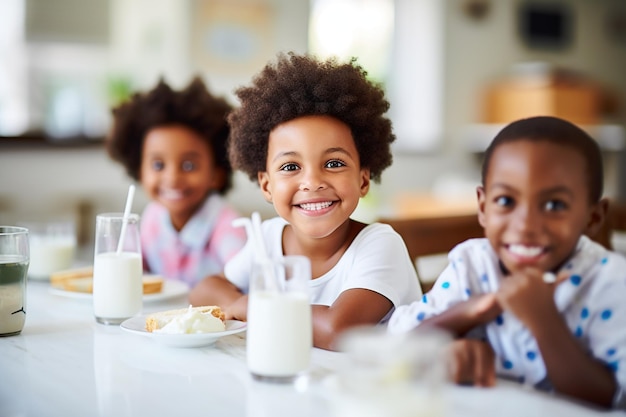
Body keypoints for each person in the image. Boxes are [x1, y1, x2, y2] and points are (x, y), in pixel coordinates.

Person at [388, 116, 626, 409]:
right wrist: (467, 313)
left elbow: (610, 398)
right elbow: (398, 346)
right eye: (505, 201)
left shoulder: (611, 282)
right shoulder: (472, 265)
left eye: (554, 205)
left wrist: (542, 318)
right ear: (483, 207)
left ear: (594, 217)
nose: (526, 225)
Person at [189, 52, 422, 350]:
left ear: (363, 180)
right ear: (267, 185)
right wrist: (238, 302)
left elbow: (337, 331)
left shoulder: (379, 245)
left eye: (334, 163)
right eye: (290, 167)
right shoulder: (269, 239)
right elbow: (204, 290)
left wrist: (256, 309)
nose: (312, 182)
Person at [106, 77, 247, 287]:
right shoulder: (151, 218)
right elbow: (125, 272)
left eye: (189, 166)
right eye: (158, 165)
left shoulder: (227, 226)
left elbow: (249, 283)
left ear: (216, 174)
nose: (172, 179)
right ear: (140, 170)